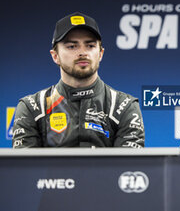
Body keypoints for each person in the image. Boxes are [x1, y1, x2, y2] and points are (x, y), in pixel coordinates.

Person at [12, 12, 145, 148]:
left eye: (90, 45)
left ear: (100, 54)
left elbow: (127, 167)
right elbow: (26, 167)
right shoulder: (33, 107)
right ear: (55, 56)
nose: (82, 52)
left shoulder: (124, 106)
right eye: (72, 46)